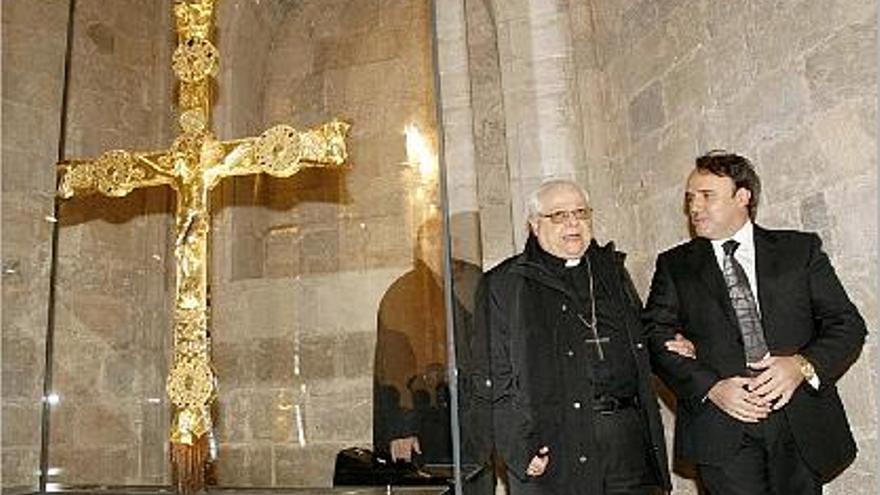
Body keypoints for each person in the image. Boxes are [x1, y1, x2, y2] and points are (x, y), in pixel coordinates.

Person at [644, 151, 867, 494]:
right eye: (690, 198)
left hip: (798, 423)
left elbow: (847, 324)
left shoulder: (799, 250)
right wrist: (711, 387)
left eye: (707, 196)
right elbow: (654, 338)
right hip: (722, 429)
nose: (694, 207)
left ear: (742, 197)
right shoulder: (675, 266)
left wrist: (801, 366)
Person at [479, 179, 672, 495]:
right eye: (558, 215)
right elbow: (491, 376)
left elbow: (642, 338)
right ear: (534, 225)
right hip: (554, 446)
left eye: (581, 213)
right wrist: (517, 446)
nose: (573, 222)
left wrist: (673, 342)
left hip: (626, 442)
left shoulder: (610, 270)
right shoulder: (505, 285)